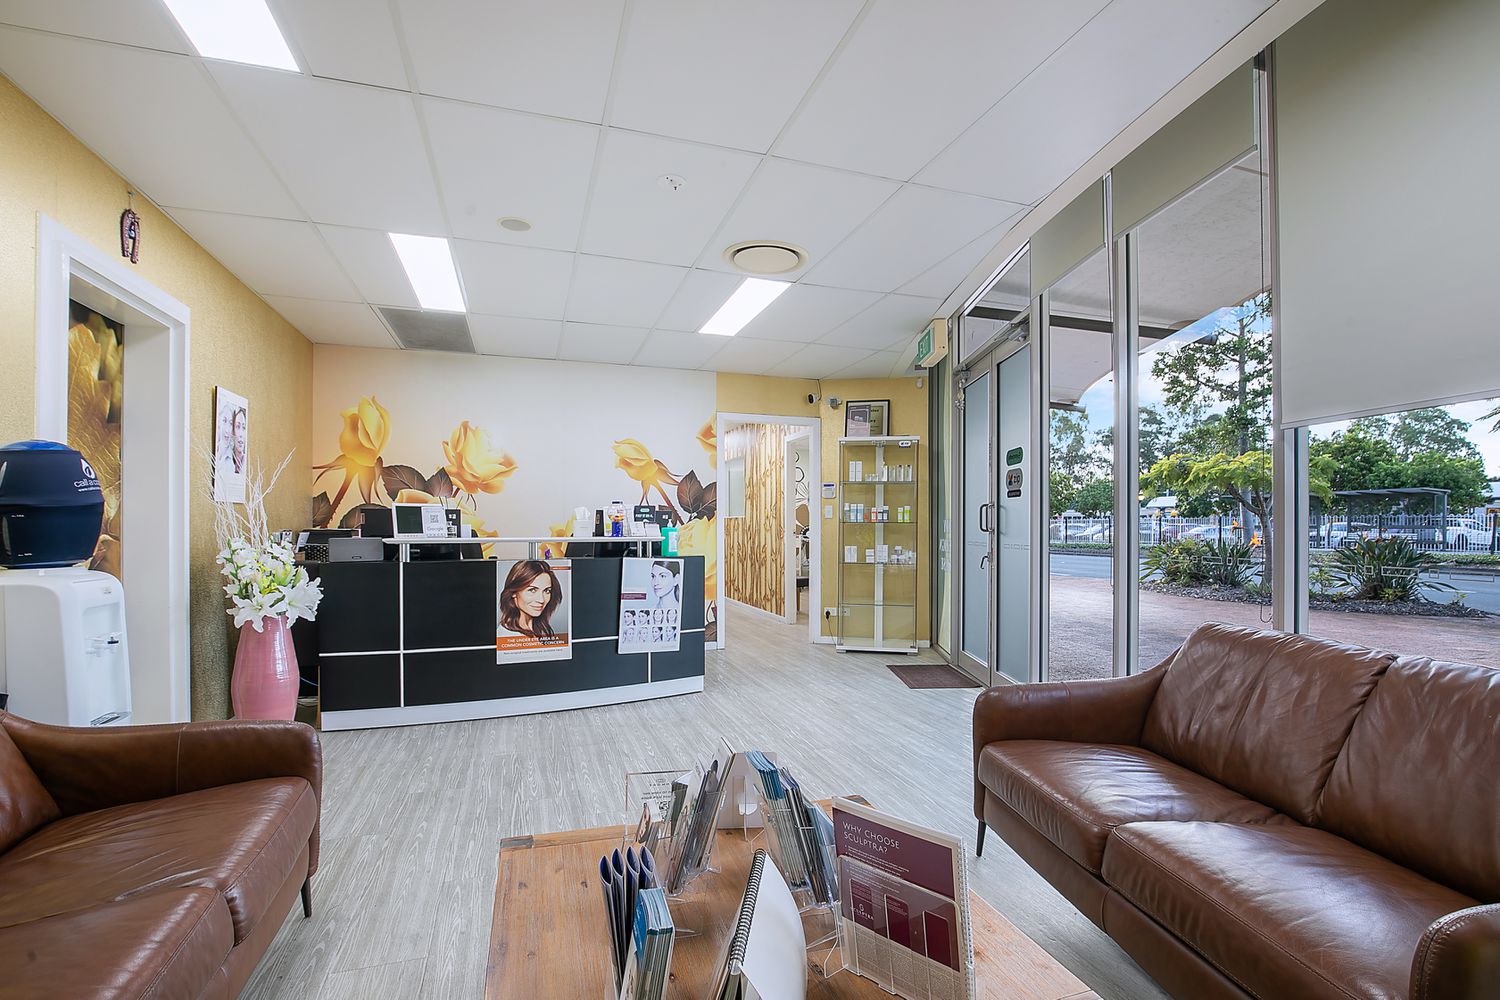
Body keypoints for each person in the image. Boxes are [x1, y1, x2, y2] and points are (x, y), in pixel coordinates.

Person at [498, 560, 563, 638]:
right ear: (513, 592)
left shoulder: (536, 629)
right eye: (532, 590)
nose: (541, 600)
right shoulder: (508, 636)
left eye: (547, 591)